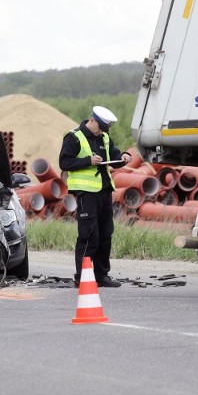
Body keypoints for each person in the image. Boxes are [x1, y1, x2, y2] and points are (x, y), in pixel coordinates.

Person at [59, 106, 132, 288]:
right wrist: (87, 161)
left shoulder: (104, 137)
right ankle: (82, 276)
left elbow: (114, 154)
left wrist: (124, 156)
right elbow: (64, 162)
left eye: (104, 130)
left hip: (104, 191)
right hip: (86, 193)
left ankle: (101, 275)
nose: (101, 132)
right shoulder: (74, 137)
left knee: (105, 235)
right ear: (92, 121)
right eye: (100, 128)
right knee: (89, 235)